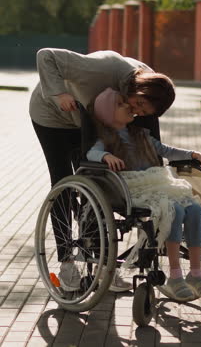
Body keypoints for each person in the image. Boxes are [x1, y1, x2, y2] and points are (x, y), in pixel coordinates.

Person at [29, 48, 175, 291]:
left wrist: (156, 186)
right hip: (55, 116)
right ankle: (67, 263)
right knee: (63, 182)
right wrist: (59, 94)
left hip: (90, 120)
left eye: (142, 111)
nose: (136, 111)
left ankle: (103, 265)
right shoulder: (101, 68)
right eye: (137, 104)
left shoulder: (150, 95)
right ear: (137, 88)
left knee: (99, 184)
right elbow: (46, 56)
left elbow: (150, 145)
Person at [86, 87, 201, 301]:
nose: (129, 106)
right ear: (108, 114)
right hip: (133, 188)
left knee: (195, 210)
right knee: (172, 210)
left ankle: (195, 274)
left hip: (159, 183)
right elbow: (91, 153)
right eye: (121, 105)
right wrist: (104, 156)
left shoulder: (141, 134)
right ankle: (175, 276)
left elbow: (165, 151)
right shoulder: (105, 138)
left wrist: (193, 154)